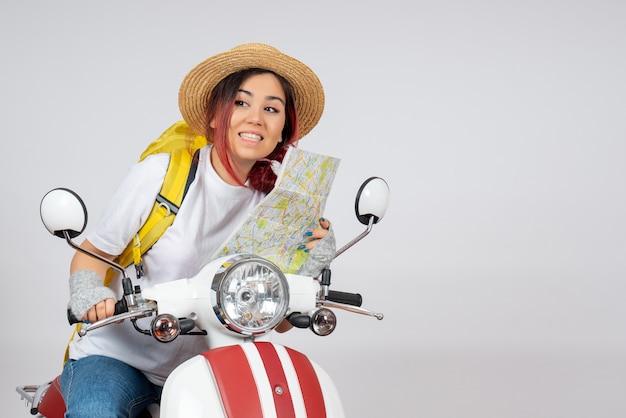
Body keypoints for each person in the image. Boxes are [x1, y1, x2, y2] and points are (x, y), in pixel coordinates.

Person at [60, 43, 335, 417]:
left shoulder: (278, 207)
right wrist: (89, 292)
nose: (256, 118)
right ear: (214, 116)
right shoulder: (162, 175)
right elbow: (94, 254)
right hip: (117, 358)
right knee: (97, 412)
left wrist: (311, 264)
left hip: (208, 366)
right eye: (241, 103)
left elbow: (282, 323)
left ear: (283, 129)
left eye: (271, 109)